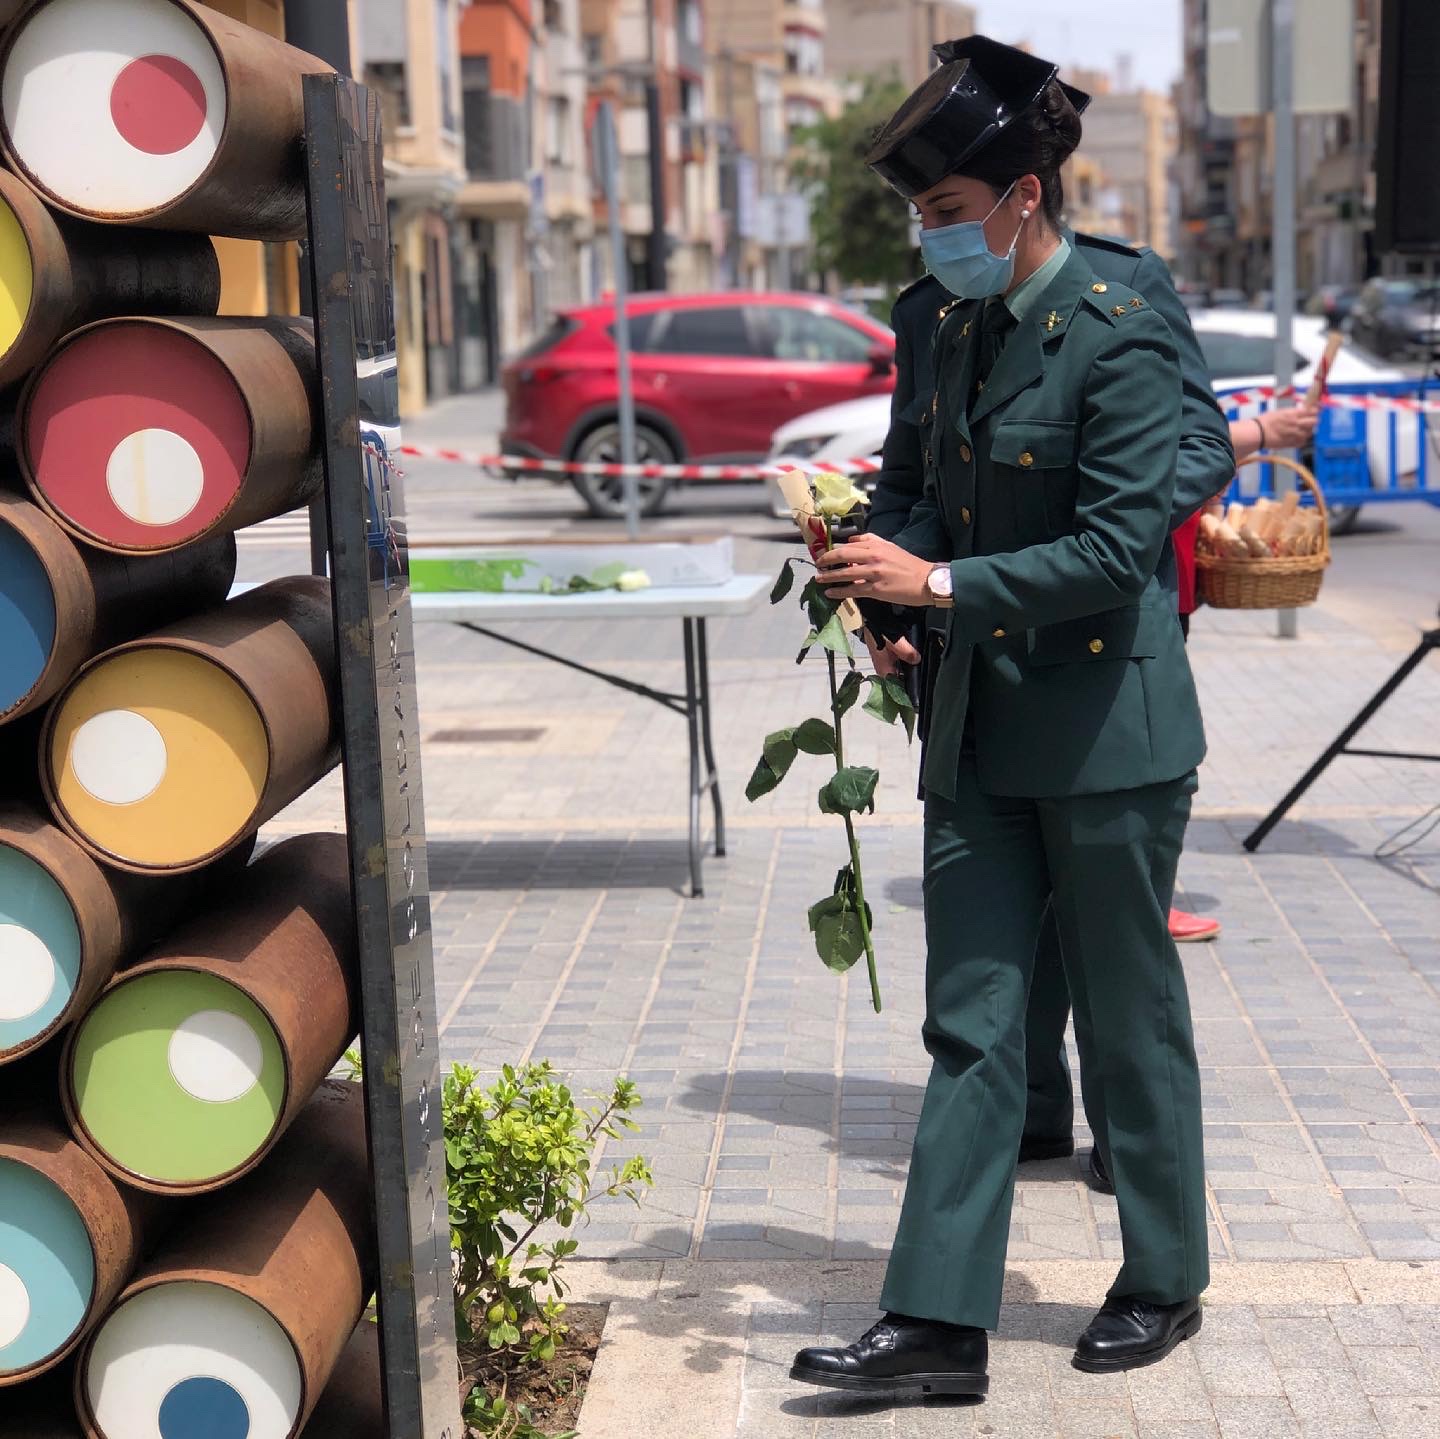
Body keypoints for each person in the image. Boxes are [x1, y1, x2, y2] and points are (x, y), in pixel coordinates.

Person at [791, 37, 1219, 1398]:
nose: (932, 238)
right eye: (920, 218)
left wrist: (942, 579)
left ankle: (1164, 1276)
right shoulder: (946, 322)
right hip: (975, 728)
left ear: (1025, 194)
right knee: (972, 1027)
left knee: (1125, 1012)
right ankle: (935, 1325)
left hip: (1108, 737)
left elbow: (1113, 547)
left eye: (949, 213)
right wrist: (867, 559)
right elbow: (917, 484)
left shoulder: (1121, 326)